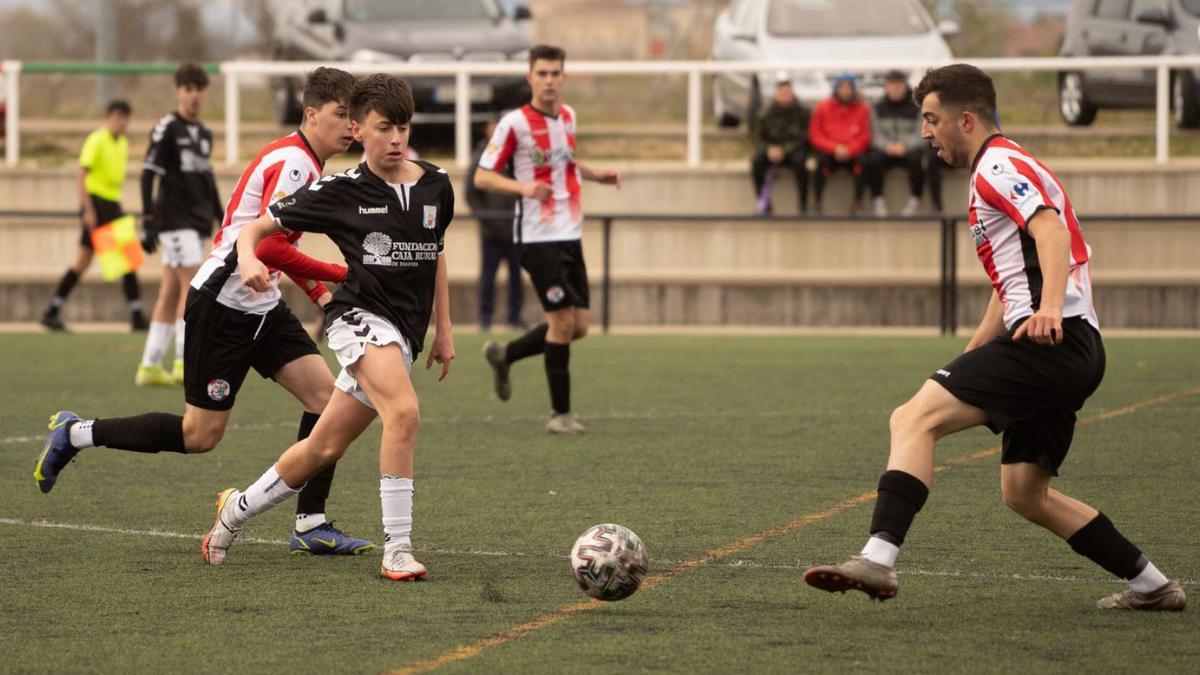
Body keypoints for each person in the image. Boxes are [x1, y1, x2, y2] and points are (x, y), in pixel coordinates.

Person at [804, 64, 1185, 611]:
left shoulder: (997, 166)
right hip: (1066, 345)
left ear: (966, 119)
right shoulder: (1005, 164)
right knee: (1025, 494)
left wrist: (1050, 308)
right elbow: (1010, 279)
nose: (925, 133)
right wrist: (978, 348)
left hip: (1049, 340)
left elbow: (1048, 231)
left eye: (932, 120)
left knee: (913, 419)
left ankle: (878, 559)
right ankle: (1153, 586)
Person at [36, 67, 375, 556]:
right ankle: (76, 433)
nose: (351, 127)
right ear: (311, 114)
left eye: (354, 117)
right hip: (222, 306)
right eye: (342, 115)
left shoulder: (305, 162)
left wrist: (319, 292)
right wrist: (339, 277)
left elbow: (274, 245)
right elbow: (271, 245)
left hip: (261, 306)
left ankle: (311, 523)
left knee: (327, 401)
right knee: (199, 435)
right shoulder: (297, 163)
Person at [199, 74, 456, 581]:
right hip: (357, 320)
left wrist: (443, 329)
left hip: (404, 334)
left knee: (323, 447)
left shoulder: (435, 184)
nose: (397, 139)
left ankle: (235, 511)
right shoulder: (340, 190)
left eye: (403, 127)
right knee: (403, 413)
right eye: (385, 128)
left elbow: (437, 254)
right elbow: (256, 227)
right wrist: (248, 256)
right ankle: (397, 550)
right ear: (359, 130)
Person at [475, 44, 621, 435]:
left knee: (580, 326)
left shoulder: (569, 117)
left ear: (564, 77)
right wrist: (523, 188)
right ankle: (560, 415)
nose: (550, 80)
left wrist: (596, 175)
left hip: (570, 232)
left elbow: (567, 161)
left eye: (556, 73)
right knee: (560, 323)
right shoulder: (514, 124)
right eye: (542, 73)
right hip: (537, 237)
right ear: (530, 77)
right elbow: (482, 176)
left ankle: (505, 354)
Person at [135, 62, 224, 387]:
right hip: (174, 220)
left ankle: (149, 366)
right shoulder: (167, 127)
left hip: (196, 221)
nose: (194, 96)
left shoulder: (203, 133)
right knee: (193, 288)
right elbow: (148, 174)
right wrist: (147, 220)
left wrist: (221, 214)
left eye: (199, 89)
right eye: (188, 89)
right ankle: (184, 363)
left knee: (171, 290)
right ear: (179, 92)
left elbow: (207, 177)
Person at [40, 100, 149, 332]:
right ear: (108, 118)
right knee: (112, 260)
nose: (120, 123)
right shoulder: (97, 139)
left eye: (124, 118)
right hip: (97, 206)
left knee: (99, 260)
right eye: (116, 117)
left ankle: (52, 311)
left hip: (112, 205)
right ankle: (136, 315)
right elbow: (81, 173)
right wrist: (87, 209)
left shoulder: (123, 143)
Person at [466, 117, 524, 331]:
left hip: (514, 229)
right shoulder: (482, 156)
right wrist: (486, 217)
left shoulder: (516, 154)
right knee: (488, 276)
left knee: (516, 277)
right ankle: (485, 318)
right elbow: (471, 193)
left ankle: (515, 317)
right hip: (492, 230)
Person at [860, 70, 927, 217]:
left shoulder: (917, 108)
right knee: (873, 159)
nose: (895, 88)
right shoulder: (877, 108)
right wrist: (887, 146)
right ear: (886, 86)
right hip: (886, 150)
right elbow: (875, 134)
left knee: (917, 159)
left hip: (908, 150)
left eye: (899, 84)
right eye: (892, 84)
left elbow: (921, 134)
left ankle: (915, 200)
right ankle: (878, 200)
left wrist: (904, 146)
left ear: (905, 86)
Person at [809, 72, 870, 213]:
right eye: (842, 87)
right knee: (821, 163)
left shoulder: (862, 109)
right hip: (830, 153)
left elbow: (865, 136)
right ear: (836, 88)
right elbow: (815, 135)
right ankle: (817, 203)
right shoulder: (822, 107)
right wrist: (835, 148)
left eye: (849, 87)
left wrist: (849, 149)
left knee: (864, 163)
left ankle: (858, 203)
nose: (845, 90)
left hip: (852, 153)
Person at [750, 76, 810, 215]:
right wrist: (769, 149)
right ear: (776, 94)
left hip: (793, 151)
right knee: (756, 161)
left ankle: (803, 206)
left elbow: (804, 138)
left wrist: (784, 150)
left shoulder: (802, 113)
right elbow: (756, 137)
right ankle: (764, 204)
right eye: (782, 92)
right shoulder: (765, 113)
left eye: (787, 92)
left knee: (801, 162)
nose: (785, 95)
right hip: (771, 151)